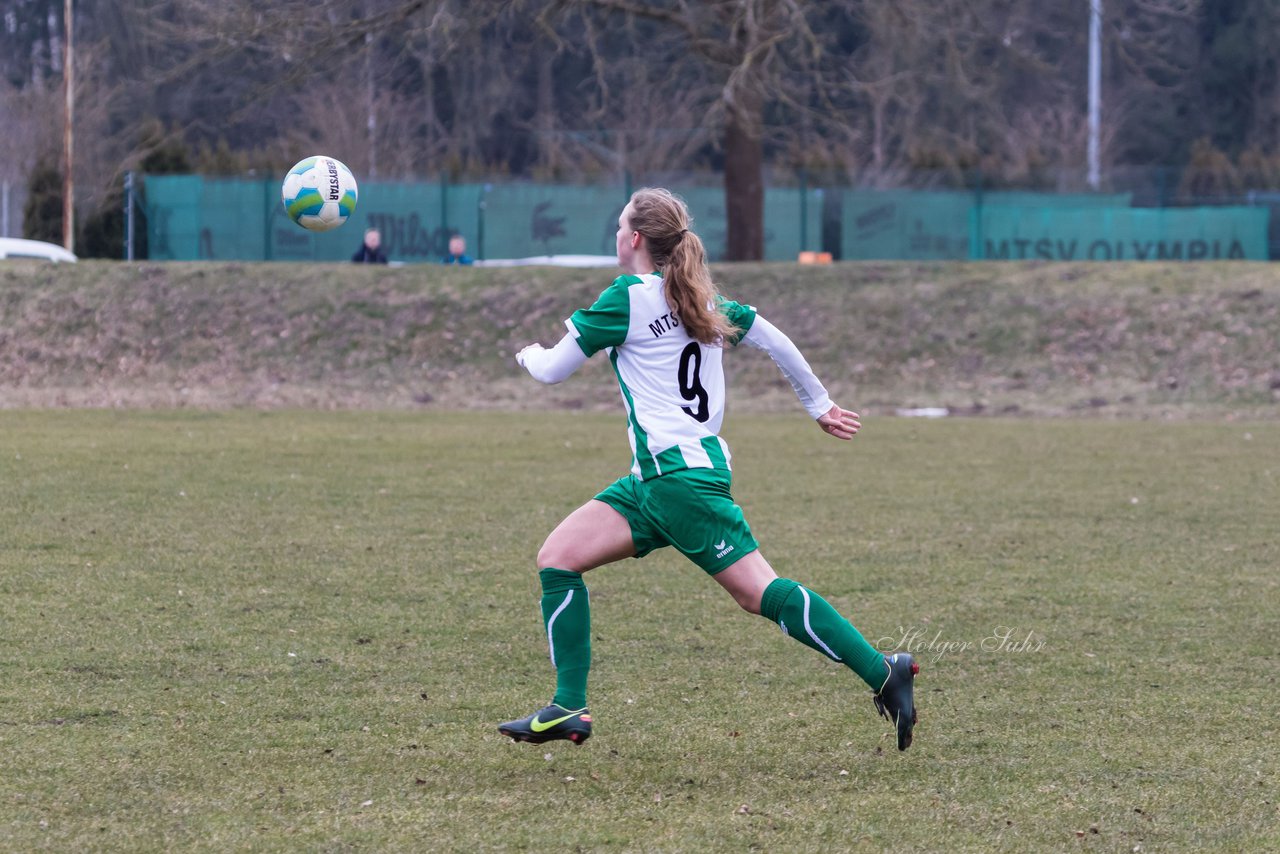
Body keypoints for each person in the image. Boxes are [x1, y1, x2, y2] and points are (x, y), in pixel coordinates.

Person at [498, 188, 918, 751]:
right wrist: (818, 406)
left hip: (679, 485)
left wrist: (527, 352)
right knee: (558, 559)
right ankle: (568, 706)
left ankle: (883, 671)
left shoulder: (627, 297)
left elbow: (551, 371)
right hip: (655, 482)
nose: (617, 233)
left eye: (622, 224)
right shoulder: (699, 297)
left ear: (636, 239)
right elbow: (776, 340)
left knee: (760, 593)